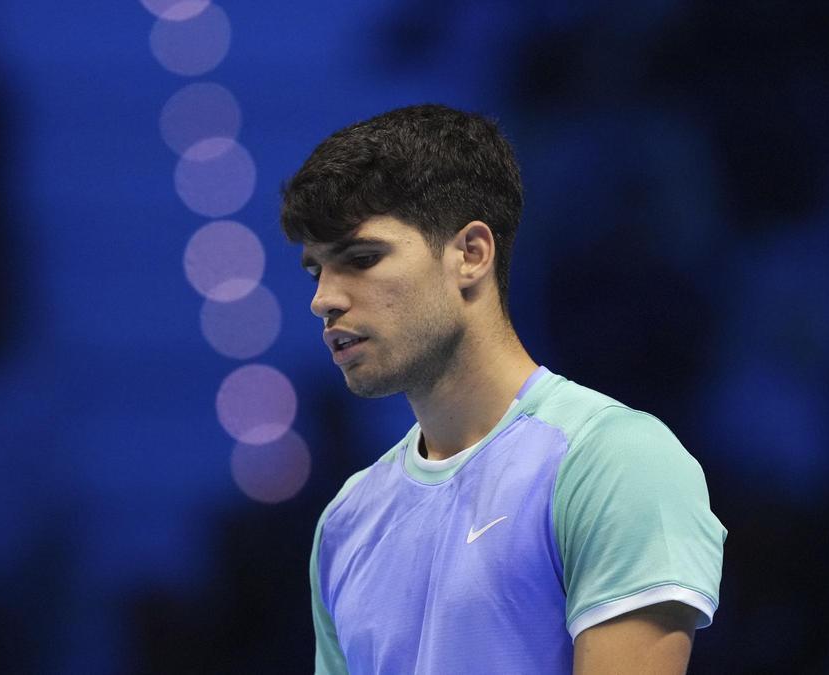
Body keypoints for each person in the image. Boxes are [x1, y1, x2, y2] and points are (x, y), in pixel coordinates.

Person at [280, 104, 726, 674]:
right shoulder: (345, 521)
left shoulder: (614, 459)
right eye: (316, 270)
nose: (325, 299)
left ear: (471, 254)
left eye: (361, 259)